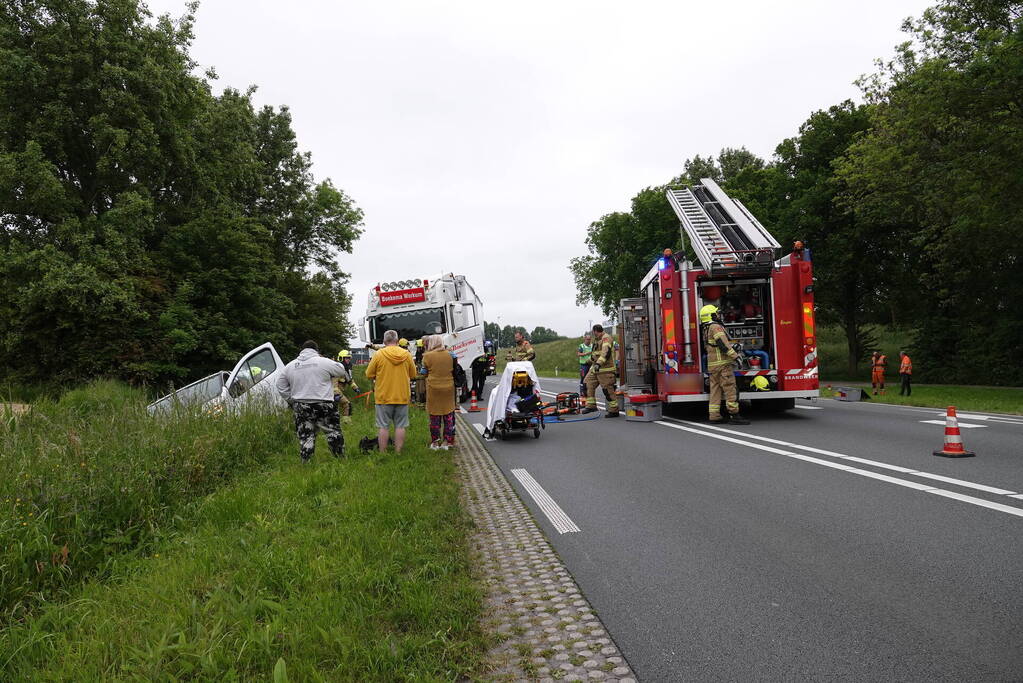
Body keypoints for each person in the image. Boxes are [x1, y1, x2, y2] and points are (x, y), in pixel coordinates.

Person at [275, 340, 350, 461]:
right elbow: (341, 370)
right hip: (324, 404)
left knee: (306, 435)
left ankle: (306, 463)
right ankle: (339, 459)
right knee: (332, 432)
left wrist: (291, 400)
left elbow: (280, 385)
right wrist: (324, 359)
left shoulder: (290, 366)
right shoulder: (324, 362)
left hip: (301, 405)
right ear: (317, 350)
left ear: (302, 350)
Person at [365, 330, 418, 453]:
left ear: (384, 341)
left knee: (383, 426)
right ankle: (398, 452)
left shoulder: (379, 354)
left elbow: (368, 374)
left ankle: (383, 452)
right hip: (402, 395)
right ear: (397, 341)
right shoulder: (407, 354)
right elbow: (413, 374)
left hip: (383, 396)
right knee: (400, 426)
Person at [700, 305, 749, 424]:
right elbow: (723, 345)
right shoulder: (715, 327)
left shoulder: (705, 328)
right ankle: (734, 415)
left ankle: (714, 415)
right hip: (723, 365)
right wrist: (736, 357)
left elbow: (714, 346)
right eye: (715, 313)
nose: (718, 315)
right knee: (730, 389)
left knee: (715, 391)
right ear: (711, 315)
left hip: (713, 366)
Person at [422, 335, 457, 449]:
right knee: (448, 416)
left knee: (434, 417)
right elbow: (455, 368)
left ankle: (435, 442)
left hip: (434, 388)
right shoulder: (450, 354)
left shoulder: (427, 356)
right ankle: (447, 441)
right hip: (448, 388)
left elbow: (424, 372)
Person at [581, 324, 620, 418]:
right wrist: (588, 362)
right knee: (587, 383)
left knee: (608, 391)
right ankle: (591, 406)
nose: (594, 335)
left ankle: (614, 411)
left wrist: (598, 363)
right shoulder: (597, 340)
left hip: (606, 370)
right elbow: (595, 354)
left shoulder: (606, 338)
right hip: (596, 369)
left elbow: (605, 353)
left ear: (595, 331)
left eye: (594, 333)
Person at [333, 349, 360, 424]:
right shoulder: (336, 370)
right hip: (334, 392)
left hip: (339, 392)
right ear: (341, 358)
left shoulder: (346, 369)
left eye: (349, 358)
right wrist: (336, 394)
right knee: (346, 404)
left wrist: (356, 388)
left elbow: (349, 380)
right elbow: (333, 383)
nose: (348, 360)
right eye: (346, 358)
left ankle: (345, 422)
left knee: (346, 405)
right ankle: (345, 422)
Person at [577, 333, 593, 397]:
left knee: (591, 378)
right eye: (587, 339)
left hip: (591, 364)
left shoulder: (592, 346)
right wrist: (586, 353)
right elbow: (578, 354)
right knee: (583, 378)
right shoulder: (581, 346)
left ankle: (589, 391)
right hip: (584, 365)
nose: (588, 341)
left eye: (589, 339)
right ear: (585, 339)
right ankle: (582, 391)